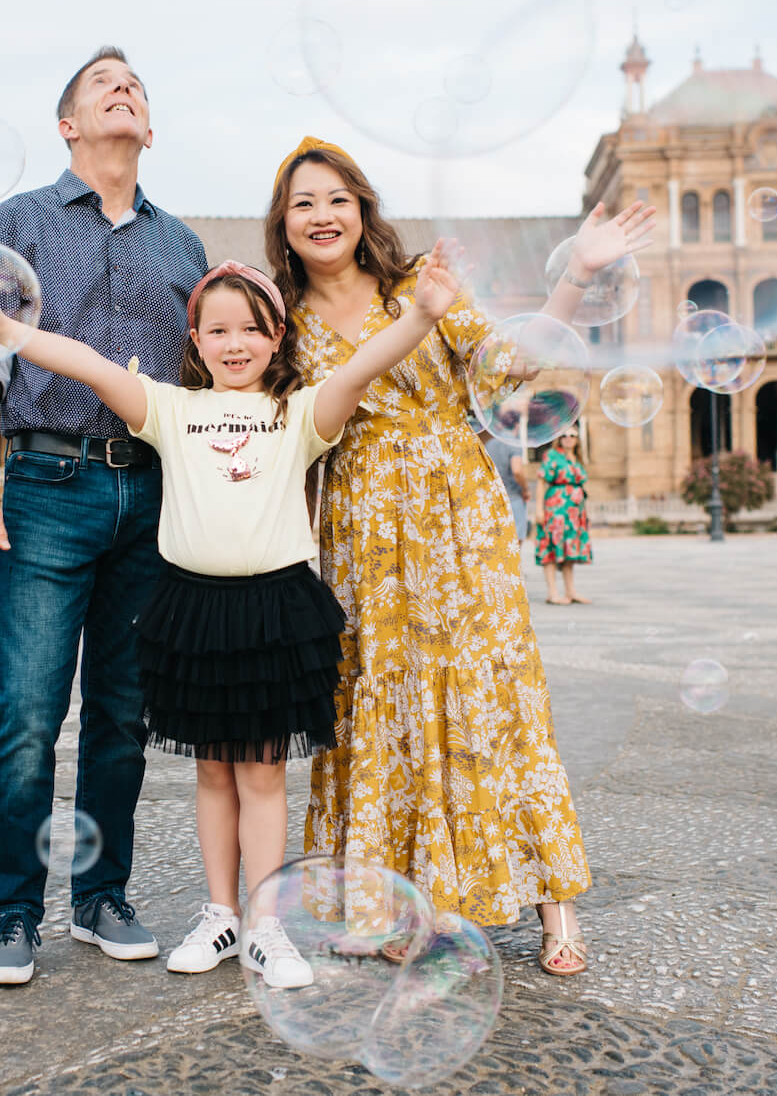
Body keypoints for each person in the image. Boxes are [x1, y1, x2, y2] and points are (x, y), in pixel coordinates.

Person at [0, 251, 461, 986]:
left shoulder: (299, 412)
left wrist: (423, 315)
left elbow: (360, 368)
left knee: (264, 774)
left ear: (277, 337)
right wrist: (6, 332)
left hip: (275, 610)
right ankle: (221, 913)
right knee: (213, 772)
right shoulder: (172, 409)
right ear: (195, 340)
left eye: (251, 329)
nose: (235, 343)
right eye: (218, 330)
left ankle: (266, 924)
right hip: (194, 610)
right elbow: (91, 366)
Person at [265, 136, 655, 977]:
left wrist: (578, 272)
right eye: (304, 203)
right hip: (361, 532)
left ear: (362, 209)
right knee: (384, 706)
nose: (323, 215)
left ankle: (556, 906)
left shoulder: (419, 283)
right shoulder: (284, 323)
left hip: (456, 517)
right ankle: (387, 902)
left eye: (337, 199)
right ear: (283, 223)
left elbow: (508, 362)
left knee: (492, 694)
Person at [0, 46, 209, 986]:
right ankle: (12, 911)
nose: (124, 88)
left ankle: (102, 897)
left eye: (135, 83)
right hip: (48, 483)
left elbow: (208, 377)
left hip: (152, 492)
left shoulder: (184, 247)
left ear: (150, 128)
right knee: (27, 711)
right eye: (104, 83)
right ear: (69, 124)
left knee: (122, 713)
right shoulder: (19, 221)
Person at [534, 426, 593, 605]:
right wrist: (539, 509)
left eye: (572, 435)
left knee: (569, 550)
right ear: (558, 438)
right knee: (551, 547)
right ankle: (553, 593)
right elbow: (541, 482)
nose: (568, 438)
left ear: (577, 439)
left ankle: (570, 591)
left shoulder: (577, 459)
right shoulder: (552, 456)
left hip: (574, 513)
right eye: (564, 435)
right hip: (556, 510)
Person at [483, 410, 530, 540]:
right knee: (516, 539)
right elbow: (517, 471)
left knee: (498, 540)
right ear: (517, 425)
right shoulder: (514, 443)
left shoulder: (489, 444)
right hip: (513, 498)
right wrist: (525, 489)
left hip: (493, 498)